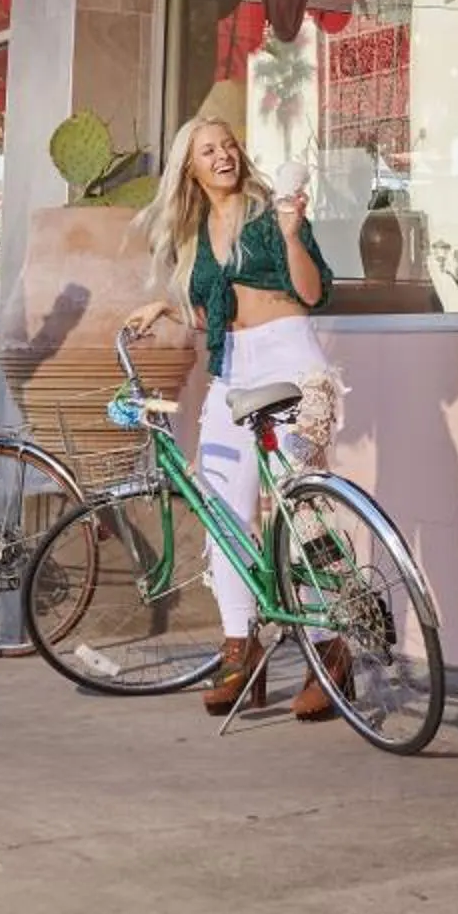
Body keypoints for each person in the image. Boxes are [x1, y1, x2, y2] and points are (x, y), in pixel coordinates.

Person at [124, 114, 345, 721]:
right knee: (224, 513)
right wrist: (166, 309)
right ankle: (240, 650)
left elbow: (312, 292)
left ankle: (333, 652)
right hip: (233, 371)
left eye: (227, 146)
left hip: (290, 357)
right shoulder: (194, 231)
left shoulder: (271, 209)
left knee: (297, 510)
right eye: (207, 151)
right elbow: (208, 313)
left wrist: (294, 234)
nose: (222, 156)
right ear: (189, 168)